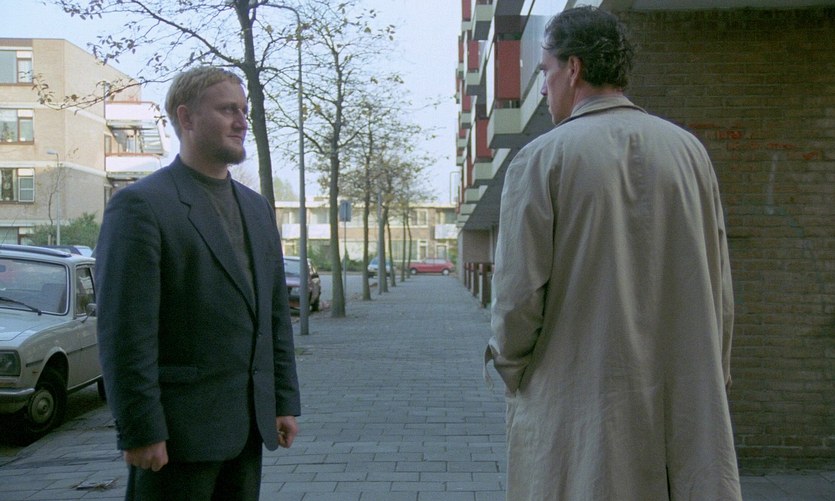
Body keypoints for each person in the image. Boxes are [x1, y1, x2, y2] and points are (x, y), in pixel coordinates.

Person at [484, 6, 741, 500]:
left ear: (573, 68)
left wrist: (513, 370)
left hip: (581, 405)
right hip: (678, 399)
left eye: (545, 71)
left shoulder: (541, 160)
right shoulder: (690, 153)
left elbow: (516, 298)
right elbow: (720, 286)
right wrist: (712, 373)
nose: (544, 88)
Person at [95, 66, 301, 500]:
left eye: (244, 111)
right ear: (186, 118)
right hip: (177, 440)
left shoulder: (257, 209)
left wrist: (282, 401)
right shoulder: (141, 206)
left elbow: (274, 316)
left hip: (247, 431)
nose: (242, 122)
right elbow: (125, 333)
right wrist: (140, 429)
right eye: (228, 110)